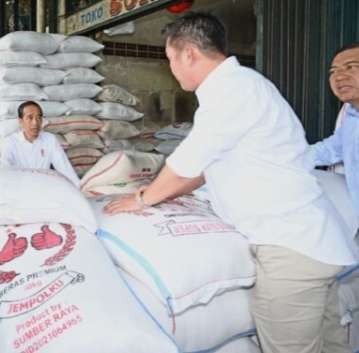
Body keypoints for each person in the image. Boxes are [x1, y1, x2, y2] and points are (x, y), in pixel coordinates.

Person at [104, 12, 358, 353]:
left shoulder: (232, 90)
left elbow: (186, 163)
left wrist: (143, 199)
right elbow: (202, 168)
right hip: (309, 244)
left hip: (291, 251)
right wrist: (165, 193)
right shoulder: (241, 87)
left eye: (171, 59)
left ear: (189, 54)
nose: (172, 69)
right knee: (332, 346)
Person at [309, 42, 359, 224]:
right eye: (333, 71)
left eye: (351, 67)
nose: (339, 77)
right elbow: (328, 151)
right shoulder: (352, 118)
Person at [0, 101, 80, 186]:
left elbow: (64, 168)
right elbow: (5, 171)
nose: (35, 122)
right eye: (30, 118)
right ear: (20, 121)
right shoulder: (11, 142)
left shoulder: (49, 139)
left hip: (43, 188)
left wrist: (79, 188)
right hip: (20, 188)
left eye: (39, 118)